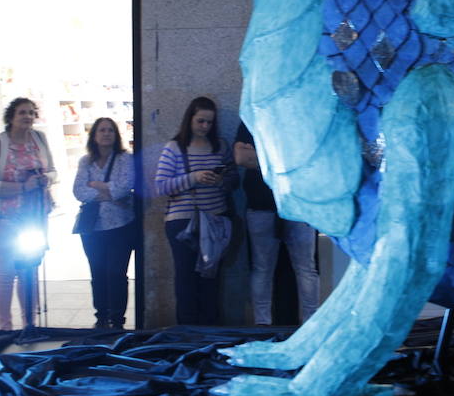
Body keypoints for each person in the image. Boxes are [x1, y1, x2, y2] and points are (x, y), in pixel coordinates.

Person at [0, 97, 56, 358]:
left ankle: (28, 325)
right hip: (1, 219)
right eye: (23, 112)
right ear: (11, 116)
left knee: (29, 272)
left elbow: (54, 172)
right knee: (4, 273)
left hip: (33, 217)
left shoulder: (40, 140)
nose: (28, 117)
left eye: (32, 112)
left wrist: (45, 179)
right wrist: (23, 187)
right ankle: (4, 329)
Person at [151, 96, 233, 325]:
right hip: (183, 222)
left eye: (209, 122)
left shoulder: (221, 146)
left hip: (216, 220)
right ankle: (187, 332)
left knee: (211, 280)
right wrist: (193, 178)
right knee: (186, 280)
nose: (205, 127)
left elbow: (233, 180)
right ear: (190, 120)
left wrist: (220, 182)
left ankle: (210, 330)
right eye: (201, 121)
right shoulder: (175, 148)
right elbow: (160, 186)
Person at [236, 121, 319, 327]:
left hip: (297, 206)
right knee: (266, 268)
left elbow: (312, 158)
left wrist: (260, 156)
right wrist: (287, 160)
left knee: (304, 268)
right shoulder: (252, 118)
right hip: (266, 205)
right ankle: (263, 324)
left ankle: (309, 323)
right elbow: (241, 157)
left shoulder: (297, 118)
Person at [72, 117, 138, 330]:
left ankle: (117, 319)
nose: (106, 134)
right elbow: (78, 191)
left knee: (117, 273)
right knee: (97, 272)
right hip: (92, 228)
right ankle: (101, 316)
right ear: (94, 135)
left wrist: (96, 186)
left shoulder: (125, 159)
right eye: (102, 130)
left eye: (110, 130)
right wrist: (107, 191)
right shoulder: (85, 161)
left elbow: (124, 187)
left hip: (121, 225)